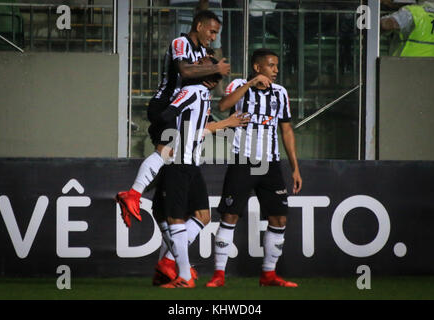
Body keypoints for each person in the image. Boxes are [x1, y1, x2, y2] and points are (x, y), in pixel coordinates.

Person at [115, 10, 230, 228]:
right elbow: (185, 71)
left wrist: (210, 76)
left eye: (217, 33)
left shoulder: (203, 52)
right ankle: (133, 194)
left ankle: (140, 195)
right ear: (199, 26)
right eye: (212, 31)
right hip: (166, 105)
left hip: (182, 110)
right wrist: (214, 68)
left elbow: (205, 81)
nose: (214, 37)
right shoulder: (181, 42)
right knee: (167, 151)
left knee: (172, 159)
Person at [205, 48, 302, 288]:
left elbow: (286, 130)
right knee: (230, 215)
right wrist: (249, 83)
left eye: (277, 66)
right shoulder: (239, 85)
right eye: (271, 65)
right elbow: (222, 106)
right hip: (243, 161)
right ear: (258, 67)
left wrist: (295, 168)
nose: (276, 70)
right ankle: (218, 275)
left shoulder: (280, 93)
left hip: (271, 164)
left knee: (279, 218)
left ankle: (268, 274)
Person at [151, 56, 250, 288]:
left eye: (203, 65)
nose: (198, 65)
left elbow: (170, 118)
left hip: (187, 164)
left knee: (188, 218)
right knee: (185, 217)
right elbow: (168, 119)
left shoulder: (198, 93)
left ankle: (176, 269)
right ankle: (175, 271)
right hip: (182, 161)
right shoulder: (195, 92)